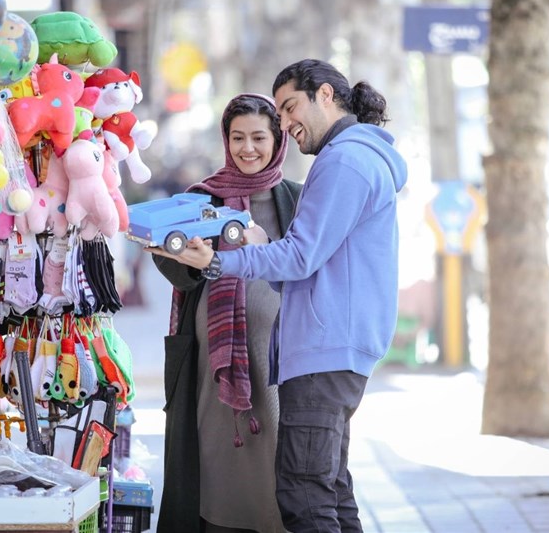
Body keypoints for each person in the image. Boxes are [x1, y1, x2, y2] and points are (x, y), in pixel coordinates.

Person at [148, 59, 408, 533]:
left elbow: (300, 257)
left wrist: (218, 262)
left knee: (304, 496)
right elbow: (316, 266)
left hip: (322, 352)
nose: (287, 123)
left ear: (326, 96)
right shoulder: (349, 159)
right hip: (316, 351)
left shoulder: (344, 161)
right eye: (238, 137)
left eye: (289, 109)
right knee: (329, 490)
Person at [152, 93, 302, 533]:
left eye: (259, 137)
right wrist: (190, 257)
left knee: (278, 462)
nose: (248, 148)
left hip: (280, 357)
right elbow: (172, 266)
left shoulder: (296, 199)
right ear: (226, 139)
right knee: (216, 464)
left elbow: (311, 265)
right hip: (214, 360)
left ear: (277, 140)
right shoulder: (201, 198)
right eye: (238, 137)